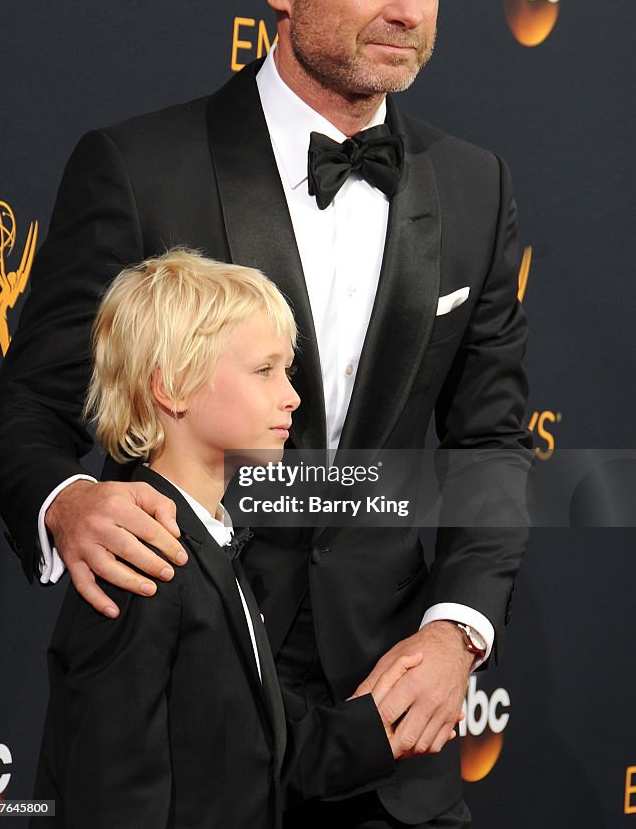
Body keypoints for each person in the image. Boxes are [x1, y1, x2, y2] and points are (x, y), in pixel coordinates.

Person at [0, 0, 531, 828]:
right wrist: (69, 504)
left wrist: (459, 632)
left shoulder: (477, 188)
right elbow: (26, 413)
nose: (406, 8)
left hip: (390, 745)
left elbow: (490, 441)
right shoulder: (137, 168)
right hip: (179, 727)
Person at [32, 248, 407, 829]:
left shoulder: (209, 542)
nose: (293, 396)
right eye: (265, 371)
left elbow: (248, 748)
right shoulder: (141, 560)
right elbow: (112, 799)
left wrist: (384, 726)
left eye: (288, 370)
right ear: (173, 387)